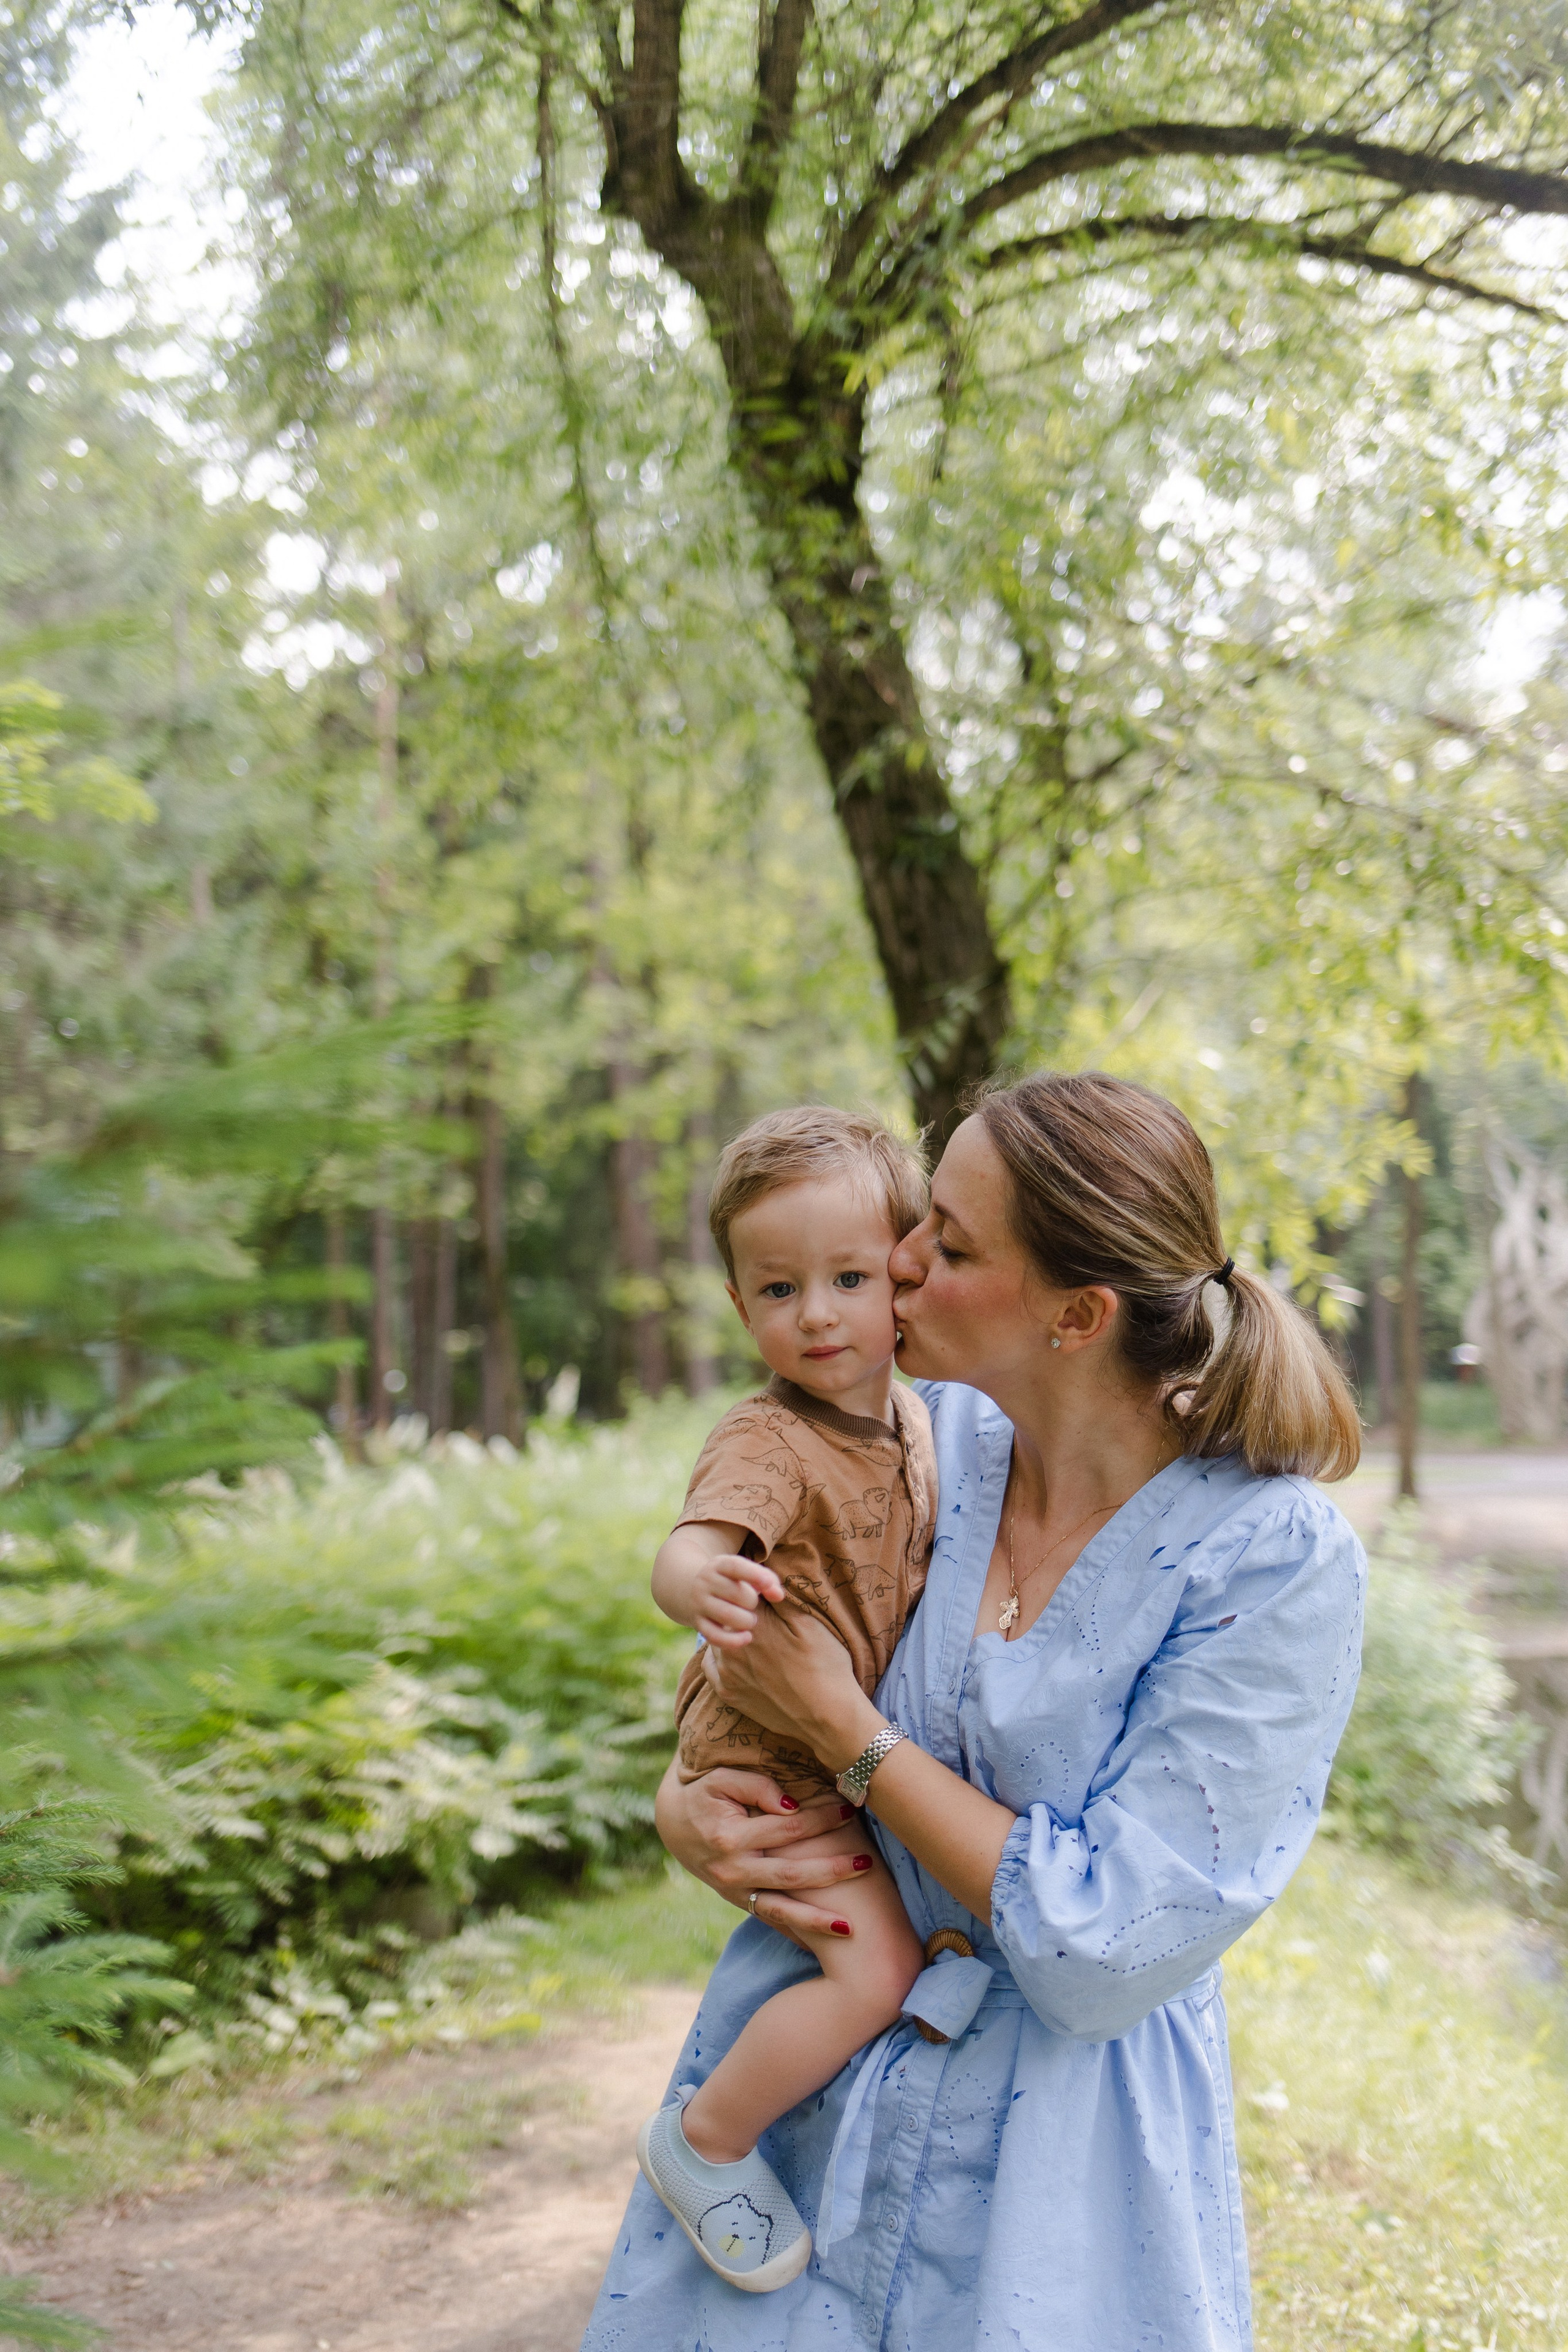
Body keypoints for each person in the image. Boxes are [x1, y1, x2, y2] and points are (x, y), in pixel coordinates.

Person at [583, 1071, 1367, 2352]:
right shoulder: (919, 1438)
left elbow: (1107, 1946)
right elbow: (747, 1664)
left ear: (1076, 1315)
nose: (894, 1261)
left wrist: (848, 1735)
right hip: (814, 2094)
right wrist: (688, 1807)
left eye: (944, 1244)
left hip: (1058, 2153)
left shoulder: (1268, 1560)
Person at [638, 1107, 937, 2292]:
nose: (816, 1314)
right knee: (878, 1971)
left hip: (829, 1744)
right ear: (738, 1304)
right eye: (779, 1289)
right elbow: (687, 1549)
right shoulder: (769, 1439)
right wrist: (701, 1585)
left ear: (903, 1274)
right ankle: (705, 2139)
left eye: (848, 1279)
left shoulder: (913, 1416)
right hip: (770, 1762)